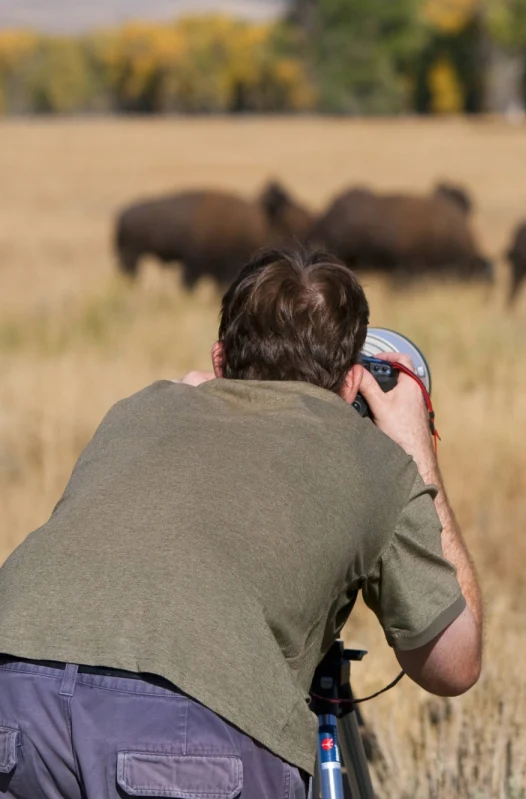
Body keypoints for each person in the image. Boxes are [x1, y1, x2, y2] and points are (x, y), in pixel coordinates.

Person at [0, 249, 483, 798]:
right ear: (352, 383)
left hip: (13, 694)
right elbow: (454, 665)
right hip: (187, 725)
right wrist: (418, 454)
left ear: (219, 360)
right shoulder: (374, 460)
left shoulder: (137, 410)